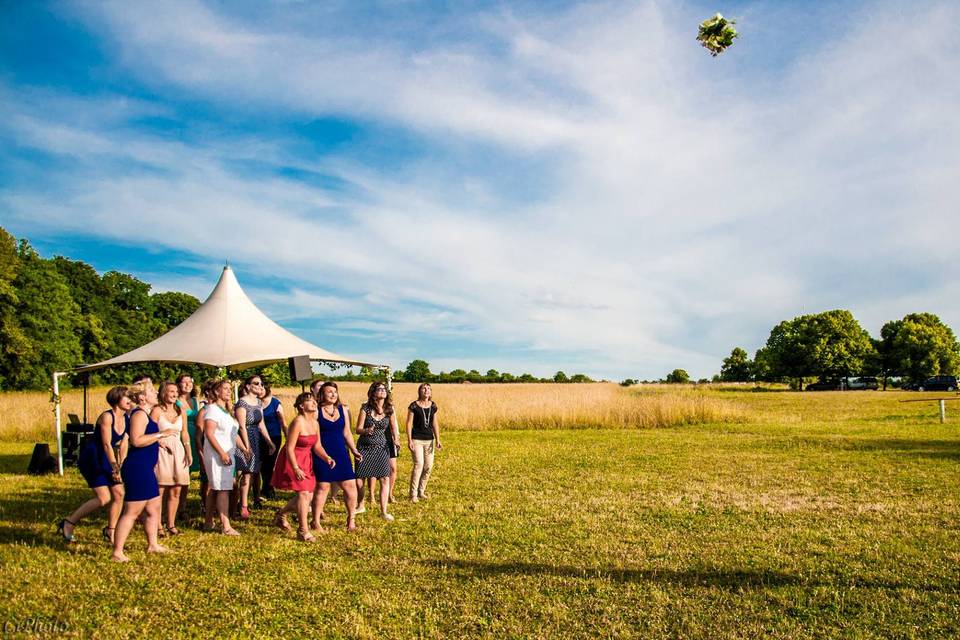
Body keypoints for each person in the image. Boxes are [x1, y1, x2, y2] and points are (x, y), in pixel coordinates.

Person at [111, 383, 179, 562]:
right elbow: (136, 440)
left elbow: (145, 438)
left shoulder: (146, 414)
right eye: (151, 391)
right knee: (132, 511)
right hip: (137, 468)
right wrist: (160, 435)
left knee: (153, 508)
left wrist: (159, 443)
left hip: (146, 467)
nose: (156, 393)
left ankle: (153, 545)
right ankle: (117, 552)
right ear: (142, 397)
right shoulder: (139, 414)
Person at [60, 386, 130, 544]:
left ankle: (110, 530)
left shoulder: (127, 418)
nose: (130, 400)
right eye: (127, 397)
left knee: (119, 493)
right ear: (117, 399)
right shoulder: (107, 417)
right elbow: (106, 444)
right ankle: (69, 522)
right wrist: (114, 465)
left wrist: (121, 464)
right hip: (93, 457)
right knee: (103, 498)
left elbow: (124, 443)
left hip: (109, 457)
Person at [272, 392, 335, 542]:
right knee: (303, 494)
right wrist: (295, 468)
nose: (314, 403)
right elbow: (289, 447)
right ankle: (303, 531)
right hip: (292, 459)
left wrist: (326, 457)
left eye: (314, 400)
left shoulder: (315, 422)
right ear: (301, 406)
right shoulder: (298, 422)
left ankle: (281, 514)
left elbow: (317, 445)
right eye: (309, 401)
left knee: (308, 495)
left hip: (306, 459)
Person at [311, 382, 361, 531]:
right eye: (329, 392)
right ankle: (316, 521)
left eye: (335, 392)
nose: (333, 394)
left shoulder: (343, 410)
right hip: (322, 452)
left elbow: (347, 432)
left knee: (350, 486)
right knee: (323, 487)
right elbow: (314, 436)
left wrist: (354, 450)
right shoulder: (316, 412)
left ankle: (351, 519)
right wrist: (323, 455)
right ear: (322, 394)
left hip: (341, 452)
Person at [202, 379, 249, 535]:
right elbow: (208, 433)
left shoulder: (226, 411)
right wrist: (221, 453)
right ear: (216, 392)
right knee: (222, 488)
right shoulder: (212, 410)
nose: (229, 391)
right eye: (225, 389)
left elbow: (233, 433)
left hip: (228, 454)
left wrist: (244, 448)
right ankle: (225, 525)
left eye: (230, 389)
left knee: (216, 488)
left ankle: (209, 521)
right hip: (217, 454)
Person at [354, 382, 398, 521]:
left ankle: (384, 511)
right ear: (373, 393)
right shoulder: (365, 408)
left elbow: (393, 427)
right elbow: (357, 429)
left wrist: (396, 440)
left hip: (382, 448)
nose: (383, 391)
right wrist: (366, 430)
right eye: (379, 389)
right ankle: (361, 505)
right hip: (365, 447)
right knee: (360, 479)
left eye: (384, 389)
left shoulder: (389, 409)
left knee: (385, 478)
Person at [153, 381, 191, 536]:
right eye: (171, 391)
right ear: (163, 393)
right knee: (161, 489)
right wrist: (160, 441)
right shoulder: (156, 411)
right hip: (162, 449)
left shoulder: (180, 410)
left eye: (176, 391)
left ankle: (171, 524)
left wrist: (188, 451)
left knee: (177, 488)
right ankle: (157, 525)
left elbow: (185, 433)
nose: (174, 394)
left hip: (178, 449)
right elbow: (149, 431)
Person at [234, 375, 275, 519]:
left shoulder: (258, 402)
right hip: (243, 438)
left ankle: (245, 502)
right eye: (256, 383)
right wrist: (246, 446)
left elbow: (261, 424)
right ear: (247, 386)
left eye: (261, 384)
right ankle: (241, 505)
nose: (260, 386)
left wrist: (269, 442)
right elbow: (241, 426)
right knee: (245, 473)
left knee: (252, 472)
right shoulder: (241, 403)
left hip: (256, 437)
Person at [406, 383, 442, 502]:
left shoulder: (433, 406)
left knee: (428, 467)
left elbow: (435, 423)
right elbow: (409, 423)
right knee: (419, 465)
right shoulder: (414, 406)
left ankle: (421, 491)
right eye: (424, 388)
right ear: (419, 391)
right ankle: (413, 494)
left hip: (429, 439)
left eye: (428, 389)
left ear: (430, 392)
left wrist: (438, 439)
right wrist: (409, 440)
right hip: (417, 439)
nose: (426, 390)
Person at [175, 374, 202, 517]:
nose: (187, 384)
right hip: (181, 437)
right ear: (178, 384)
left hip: (195, 437)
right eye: (184, 382)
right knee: (181, 472)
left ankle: (183, 505)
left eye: (190, 381)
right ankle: (177, 505)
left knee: (189, 473)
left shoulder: (195, 400)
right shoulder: (175, 401)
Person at [258, 380, 285, 501]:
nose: (260, 391)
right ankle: (264, 488)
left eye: (262, 388)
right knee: (261, 464)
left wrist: (289, 437)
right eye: (258, 388)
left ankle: (268, 489)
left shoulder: (275, 403)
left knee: (270, 463)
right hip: (258, 437)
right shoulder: (255, 403)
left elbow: (283, 423)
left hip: (274, 437)